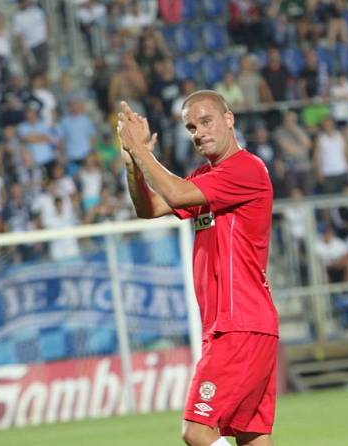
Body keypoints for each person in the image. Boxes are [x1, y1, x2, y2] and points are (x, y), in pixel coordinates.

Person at [117, 91, 278, 446]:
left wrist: (143, 151)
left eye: (206, 121)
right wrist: (132, 162)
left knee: (197, 431)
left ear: (229, 118)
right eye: (191, 127)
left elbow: (174, 194)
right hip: (242, 325)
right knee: (252, 438)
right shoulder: (206, 176)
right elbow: (151, 207)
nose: (199, 132)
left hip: (239, 323)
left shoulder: (245, 168)